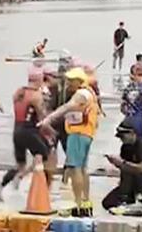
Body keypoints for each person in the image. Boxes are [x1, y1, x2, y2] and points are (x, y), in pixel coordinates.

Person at [39, 68, 99, 217]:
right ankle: (85, 201)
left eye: (72, 80)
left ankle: (78, 204)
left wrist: (48, 119)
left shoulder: (81, 94)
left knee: (75, 168)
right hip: (86, 134)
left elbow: (66, 107)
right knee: (83, 168)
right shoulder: (89, 92)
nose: (68, 83)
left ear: (79, 81)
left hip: (78, 133)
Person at [0, 67, 50, 202]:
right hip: (29, 130)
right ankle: (22, 177)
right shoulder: (36, 95)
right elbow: (42, 117)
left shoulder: (19, 92)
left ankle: (1, 187)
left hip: (17, 130)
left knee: (20, 164)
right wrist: (50, 130)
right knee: (43, 155)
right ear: (40, 80)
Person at [102, 120, 142, 212]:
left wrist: (121, 163)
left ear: (132, 134)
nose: (122, 139)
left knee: (129, 171)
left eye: (123, 136)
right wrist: (115, 165)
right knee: (107, 203)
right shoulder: (125, 147)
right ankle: (127, 198)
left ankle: (140, 195)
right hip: (128, 182)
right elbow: (124, 166)